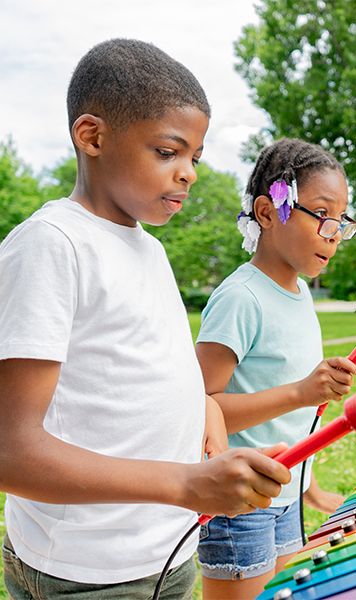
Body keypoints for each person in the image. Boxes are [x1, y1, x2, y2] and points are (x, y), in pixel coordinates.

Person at [0, 39, 290, 600]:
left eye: (195, 158)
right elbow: (9, 449)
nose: (189, 174)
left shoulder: (149, 249)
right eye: (167, 152)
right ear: (93, 137)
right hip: (86, 573)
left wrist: (206, 424)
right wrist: (184, 483)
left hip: (165, 549)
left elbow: (151, 374)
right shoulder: (51, 245)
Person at [196, 137, 356, 599]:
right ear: (268, 213)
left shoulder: (300, 293)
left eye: (342, 220)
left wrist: (306, 486)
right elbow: (197, 407)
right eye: (323, 214)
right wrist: (302, 392)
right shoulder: (240, 298)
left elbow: (292, 418)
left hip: (283, 492)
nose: (334, 232)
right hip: (239, 501)